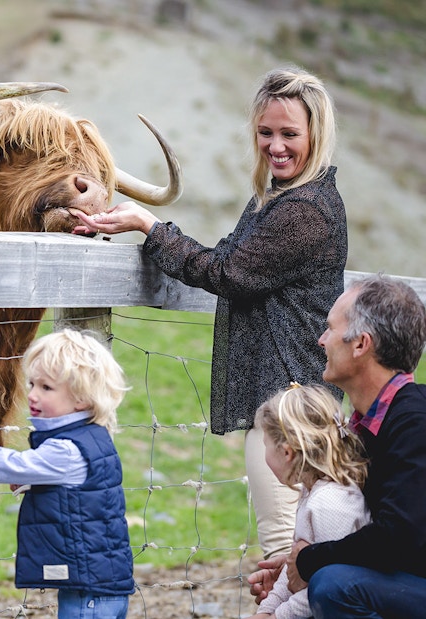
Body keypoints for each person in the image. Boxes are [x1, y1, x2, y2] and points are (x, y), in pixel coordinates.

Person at [73, 66, 348, 559]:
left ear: (317, 134)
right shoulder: (279, 199)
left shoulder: (304, 210)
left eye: (290, 134)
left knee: (287, 550)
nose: (275, 146)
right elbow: (222, 256)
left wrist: (149, 224)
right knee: (304, 548)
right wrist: (138, 225)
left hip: (292, 408)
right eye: (266, 133)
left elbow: (228, 273)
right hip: (295, 401)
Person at [249, 274, 426, 618]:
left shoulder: (415, 424)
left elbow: (400, 537)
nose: (321, 340)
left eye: (330, 329)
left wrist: (310, 561)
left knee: (333, 585)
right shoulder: (367, 424)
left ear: (360, 344)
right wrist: (292, 567)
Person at [0, 328, 134, 619]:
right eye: (32, 384)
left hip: (88, 593)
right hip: (99, 583)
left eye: (46, 388)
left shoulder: (66, 449)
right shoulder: (92, 435)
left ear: (82, 398)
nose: (32, 395)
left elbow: (12, 465)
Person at [245, 382, 370, 619]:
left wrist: (278, 616)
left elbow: (321, 587)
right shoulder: (313, 491)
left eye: (266, 445)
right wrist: (267, 609)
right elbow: (295, 569)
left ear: (287, 452)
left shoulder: (330, 505)